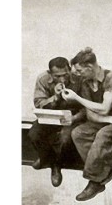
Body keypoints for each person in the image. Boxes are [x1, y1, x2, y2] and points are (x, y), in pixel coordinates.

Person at [62, 48, 112, 201]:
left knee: (103, 135)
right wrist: (109, 120)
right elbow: (91, 114)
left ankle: (95, 181)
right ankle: (109, 167)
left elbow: (105, 108)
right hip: (109, 120)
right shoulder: (86, 82)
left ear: (90, 67)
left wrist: (77, 98)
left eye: (80, 71)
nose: (78, 74)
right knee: (78, 133)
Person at [29, 56, 85, 187]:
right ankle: (45, 158)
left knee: (65, 139)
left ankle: (56, 165)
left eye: (65, 75)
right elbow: (39, 103)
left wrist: (74, 118)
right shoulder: (42, 79)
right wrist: (55, 97)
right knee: (34, 134)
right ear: (50, 73)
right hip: (50, 115)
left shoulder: (79, 79)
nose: (62, 79)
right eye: (57, 76)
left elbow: (86, 106)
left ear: (70, 69)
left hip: (72, 116)